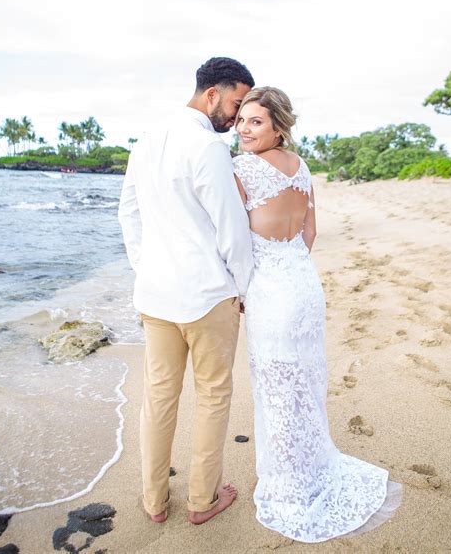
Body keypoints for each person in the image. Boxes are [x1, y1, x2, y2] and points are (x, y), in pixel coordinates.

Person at [233, 87, 402, 543]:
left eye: (256, 122)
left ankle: (291, 486)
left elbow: (232, 239)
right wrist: (289, 269)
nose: (244, 129)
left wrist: (250, 286)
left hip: (271, 292)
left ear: (278, 127)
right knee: (302, 381)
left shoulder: (241, 169)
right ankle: (307, 466)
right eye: (242, 120)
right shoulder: (302, 167)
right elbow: (309, 230)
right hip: (304, 286)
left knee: (276, 386)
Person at [118, 57, 255, 525]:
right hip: (206, 295)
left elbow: (128, 214)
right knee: (214, 395)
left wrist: (145, 267)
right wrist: (243, 287)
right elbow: (231, 228)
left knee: (158, 396)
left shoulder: (146, 139)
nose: (236, 119)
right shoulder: (207, 146)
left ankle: (154, 502)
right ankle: (202, 500)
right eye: (236, 104)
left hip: (154, 294)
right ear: (211, 94)